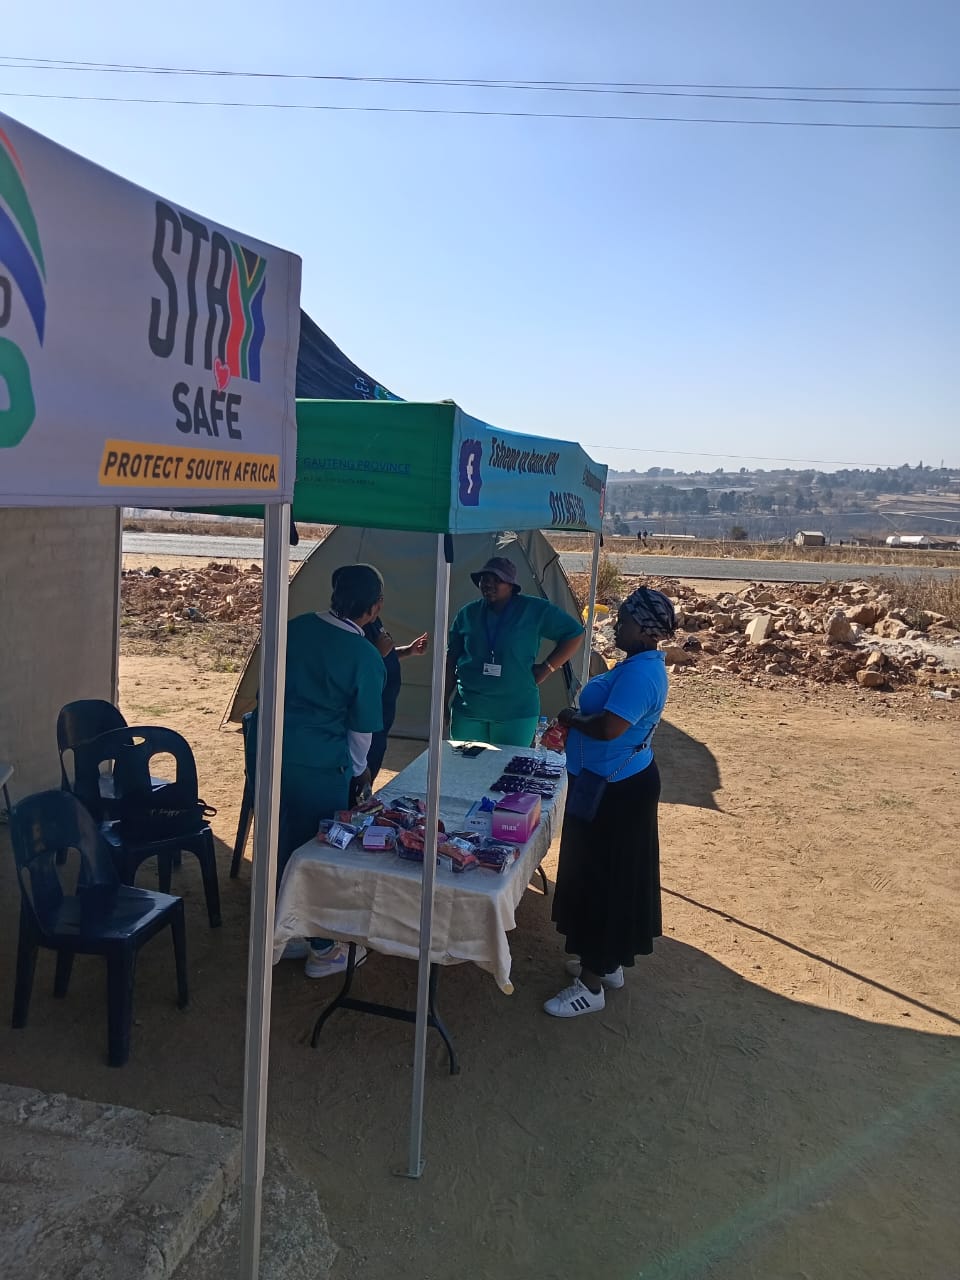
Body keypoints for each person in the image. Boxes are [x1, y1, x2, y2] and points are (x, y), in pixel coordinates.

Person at [247, 563, 386, 978]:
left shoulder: (296, 627)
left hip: (267, 750)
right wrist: (358, 773)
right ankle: (323, 948)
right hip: (317, 763)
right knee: (317, 849)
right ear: (375, 608)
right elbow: (362, 729)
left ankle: (284, 932)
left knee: (279, 838)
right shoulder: (363, 655)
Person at [544, 586, 676, 1018]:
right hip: (604, 784)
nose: (617, 624)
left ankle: (592, 986)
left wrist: (570, 719)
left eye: (625, 620)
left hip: (617, 792)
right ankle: (605, 961)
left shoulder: (642, 674)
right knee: (603, 875)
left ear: (645, 628)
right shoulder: (636, 665)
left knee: (603, 880)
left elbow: (608, 729)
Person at [444, 556, 584, 747]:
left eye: (497, 580)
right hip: (470, 710)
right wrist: (443, 701)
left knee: (508, 771)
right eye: (484, 579)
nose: (488, 584)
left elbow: (574, 634)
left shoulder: (533, 610)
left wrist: (547, 668)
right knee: (465, 770)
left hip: (516, 714)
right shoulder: (468, 614)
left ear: (511, 585)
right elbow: (451, 660)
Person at [360, 613, 428, 783]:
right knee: (362, 771)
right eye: (378, 598)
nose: (381, 604)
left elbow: (386, 655)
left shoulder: (375, 621)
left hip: (384, 714)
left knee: (375, 759)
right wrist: (377, 653)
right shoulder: (356, 627)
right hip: (368, 717)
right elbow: (357, 667)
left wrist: (408, 650)